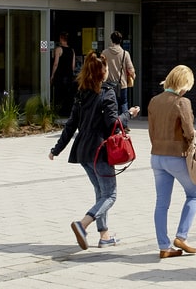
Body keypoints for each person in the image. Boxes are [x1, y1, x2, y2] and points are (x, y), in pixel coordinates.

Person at [49, 53, 140, 250]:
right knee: (110, 195)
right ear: (103, 71)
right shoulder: (107, 93)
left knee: (101, 193)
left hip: (83, 151)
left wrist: (57, 149)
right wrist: (129, 114)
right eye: (106, 68)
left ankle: (104, 235)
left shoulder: (82, 93)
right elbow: (112, 124)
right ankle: (82, 225)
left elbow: (71, 124)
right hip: (100, 151)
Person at [148, 65, 196, 259]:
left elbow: (151, 131)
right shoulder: (182, 102)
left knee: (161, 203)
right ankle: (181, 236)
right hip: (176, 156)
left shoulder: (154, 101)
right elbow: (189, 131)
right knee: (193, 195)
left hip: (156, 156)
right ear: (183, 84)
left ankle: (164, 246)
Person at [103, 31, 137, 116]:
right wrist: (133, 76)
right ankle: (124, 122)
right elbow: (131, 69)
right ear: (120, 40)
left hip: (108, 85)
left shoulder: (104, 53)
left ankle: (112, 122)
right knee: (123, 104)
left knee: (110, 105)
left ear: (111, 40)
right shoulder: (125, 54)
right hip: (122, 84)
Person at [51, 33, 78, 117]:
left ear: (61, 39)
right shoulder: (72, 50)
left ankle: (58, 112)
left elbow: (56, 63)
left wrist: (52, 75)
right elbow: (73, 66)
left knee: (59, 95)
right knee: (68, 95)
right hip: (69, 76)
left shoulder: (58, 49)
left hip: (60, 75)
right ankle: (67, 112)